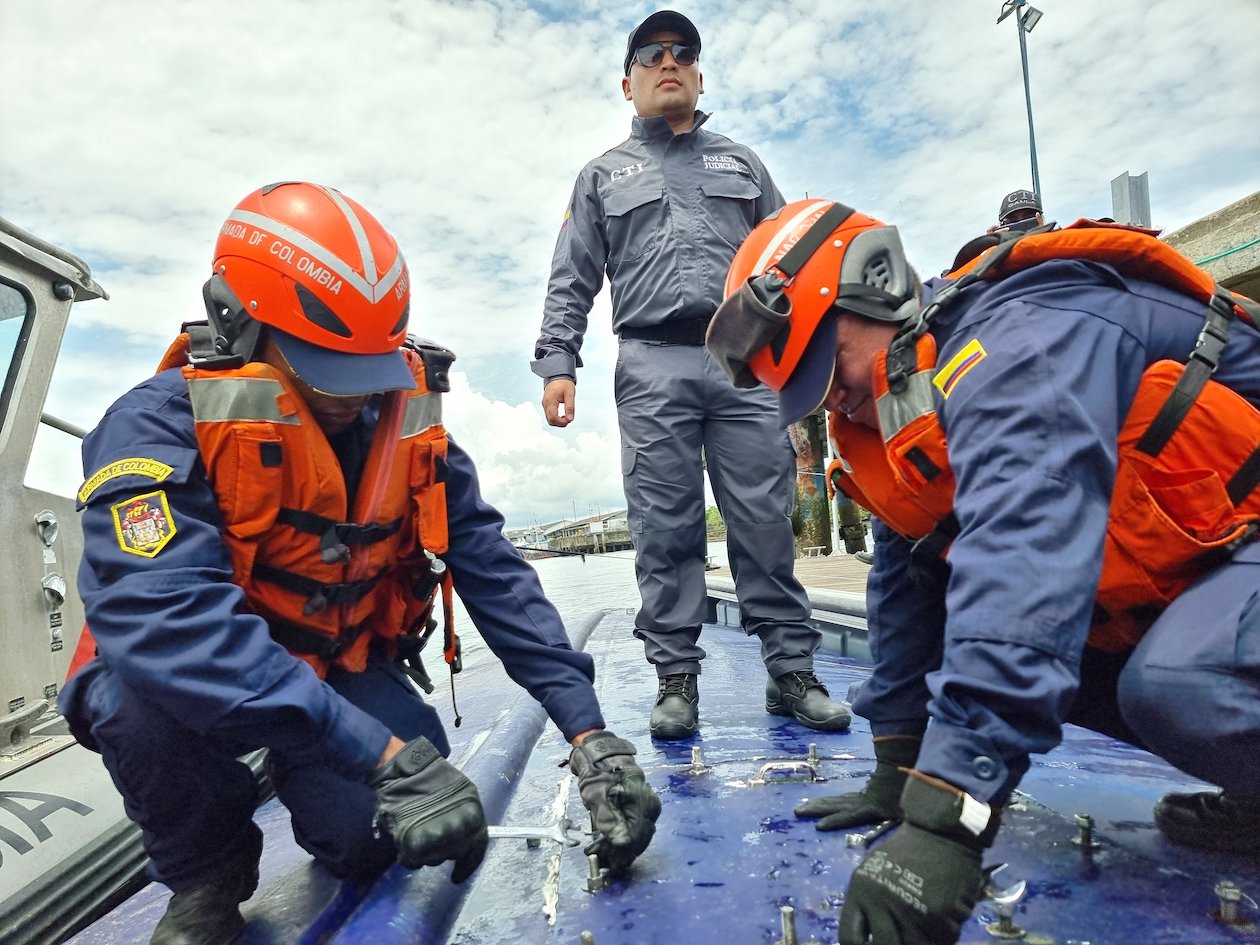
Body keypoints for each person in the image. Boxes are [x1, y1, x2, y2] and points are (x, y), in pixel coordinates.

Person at [59, 182, 660, 945]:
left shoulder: (402, 420)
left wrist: (590, 735)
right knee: (126, 700)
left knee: (382, 840)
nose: (354, 396)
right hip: (194, 682)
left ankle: (306, 772)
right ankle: (208, 871)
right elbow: (163, 622)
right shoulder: (150, 426)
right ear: (238, 325)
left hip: (332, 663)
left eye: (367, 366)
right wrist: (377, 754)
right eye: (324, 369)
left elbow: (492, 568)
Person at [706, 198, 1260, 944]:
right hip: (1214, 567)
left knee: (1179, 682)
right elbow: (906, 577)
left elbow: (1024, 552)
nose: (831, 402)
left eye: (831, 369)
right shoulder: (896, 416)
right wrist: (899, 769)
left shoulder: (1021, 336)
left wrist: (949, 814)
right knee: (1061, 680)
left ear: (878, 286)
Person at [530, 10, 849, 741]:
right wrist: (558, 362)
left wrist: (808, 360)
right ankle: (676, 679)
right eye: (651, 54)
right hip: (649, 362)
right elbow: (571, 276)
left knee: (765, 521)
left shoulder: (742, 164)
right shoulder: (602, 177)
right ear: (628, 81)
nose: (668, 61)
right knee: (663, 526)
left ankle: (790, 671)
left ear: (699, 75)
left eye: (683, 53)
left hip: (742, 362)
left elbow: (792, 262)